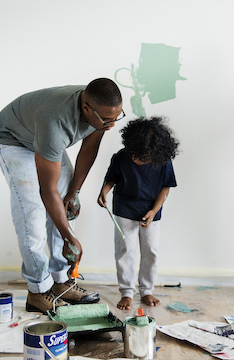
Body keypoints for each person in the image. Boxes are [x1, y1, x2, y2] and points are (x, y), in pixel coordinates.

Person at [0, 78, 124, 312]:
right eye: (107, 120)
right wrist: (69, 237)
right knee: (31, 215)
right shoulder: (54, 122)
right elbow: (48, 190)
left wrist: (74, 192)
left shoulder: (102, 113)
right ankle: (38, 291)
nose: (112, 124)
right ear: (86, 108)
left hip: (40, 138)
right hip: (14, 140)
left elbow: (89, 149)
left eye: (117, 117)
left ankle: (61, 281)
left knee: (65, 204)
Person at [97, 117, 179, 310]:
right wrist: (104, 191)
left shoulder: (163, 162)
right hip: (124, 208)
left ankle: (146, 290)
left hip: (151, 210)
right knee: (125, 250)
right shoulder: (120, 157)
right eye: (134, 154)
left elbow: (166, 188)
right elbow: (111, 179)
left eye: (143, 158)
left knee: (151, 250)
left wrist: (153, 211)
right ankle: (127, 292)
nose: (137, 159)